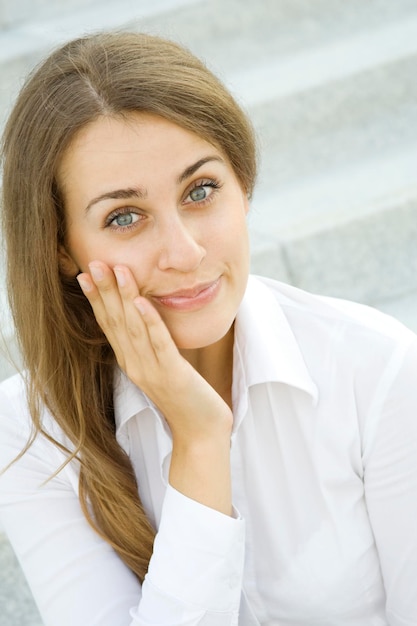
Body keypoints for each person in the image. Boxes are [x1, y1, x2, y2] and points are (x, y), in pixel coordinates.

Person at [0, 31, 416, 626]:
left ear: (242, 187)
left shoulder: (377, 368)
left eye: (201, 191)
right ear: (61, 247)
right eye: (125, 217)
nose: (185, 251)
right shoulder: (32, 431)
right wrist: (199, 441)